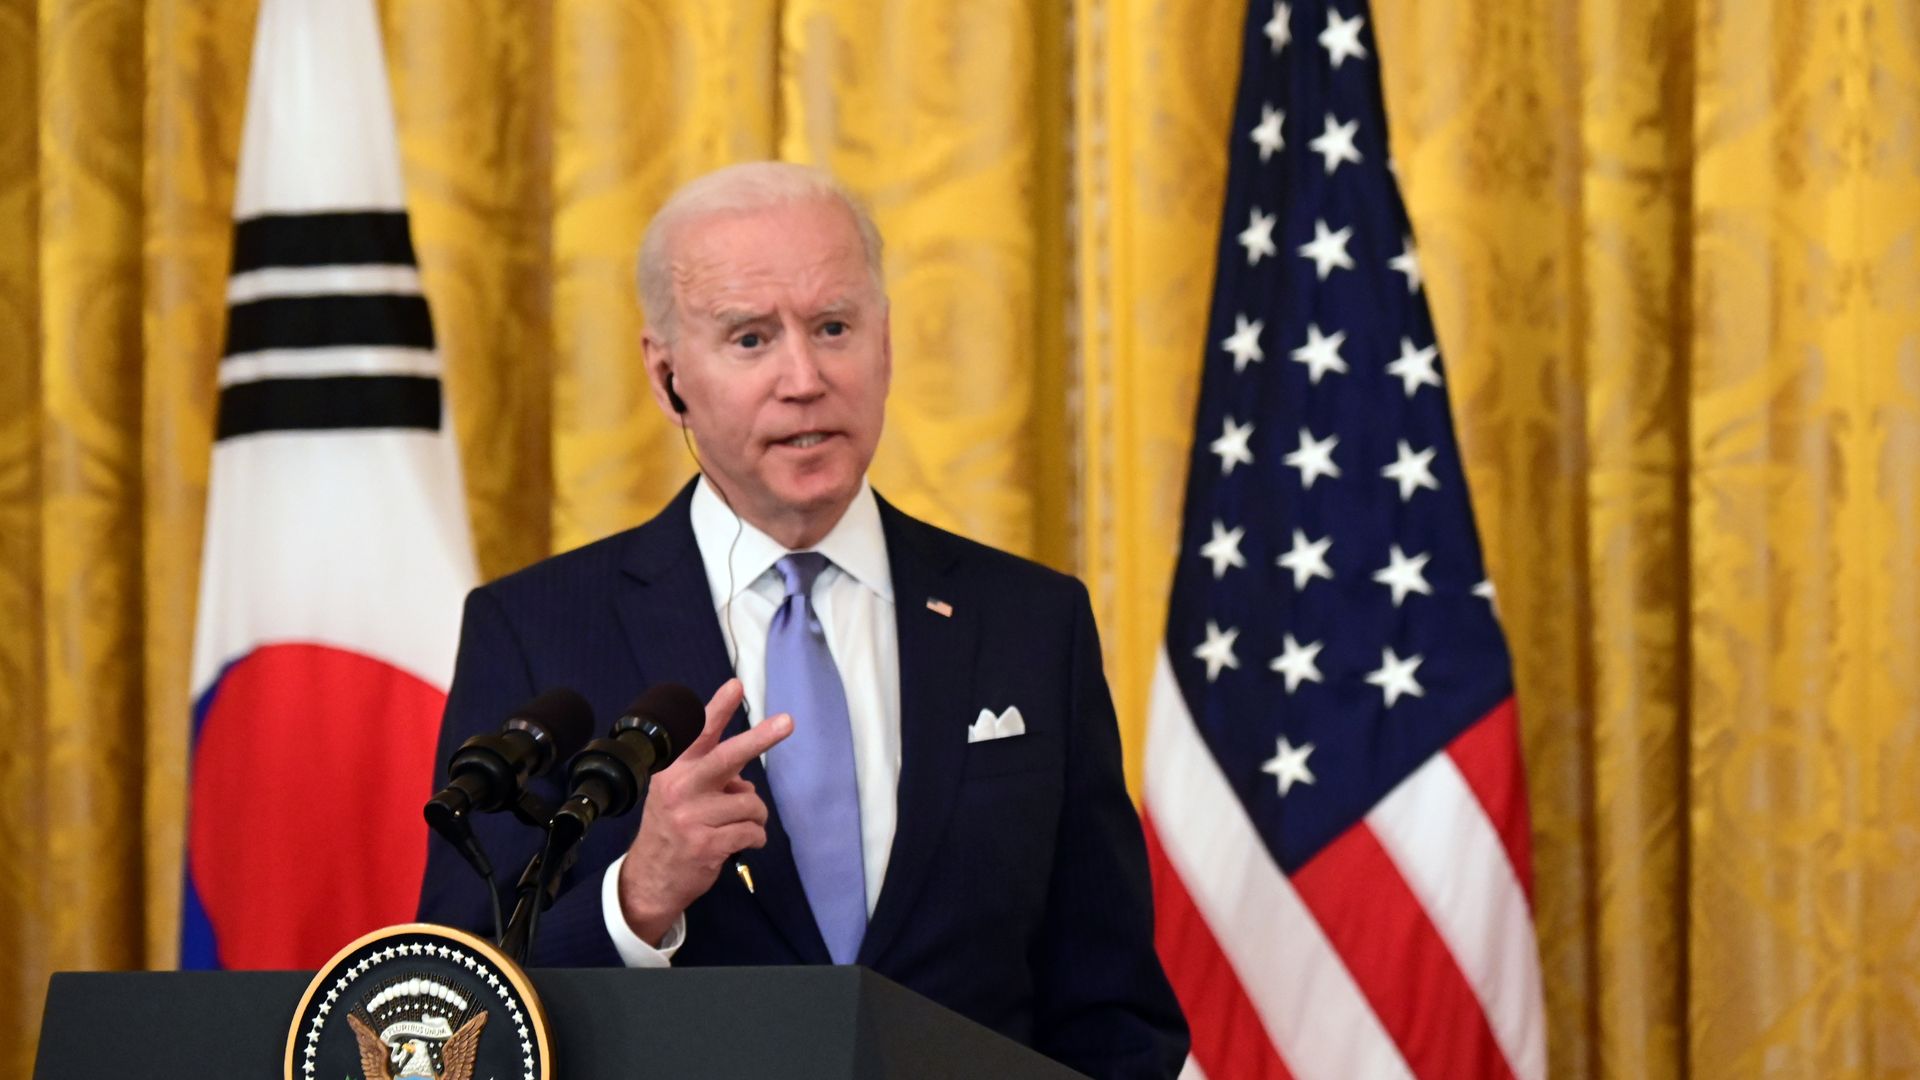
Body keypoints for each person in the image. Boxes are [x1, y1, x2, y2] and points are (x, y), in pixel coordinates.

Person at [417, 162, 1188, 1078]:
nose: (804, 378)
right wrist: (637, 899)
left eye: (833, 328)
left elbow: (1113, 1014)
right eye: (750, 338)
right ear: (667, 377)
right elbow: (457, 1007)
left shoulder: (1031, 621)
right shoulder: (536, 629)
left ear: (885, 343)